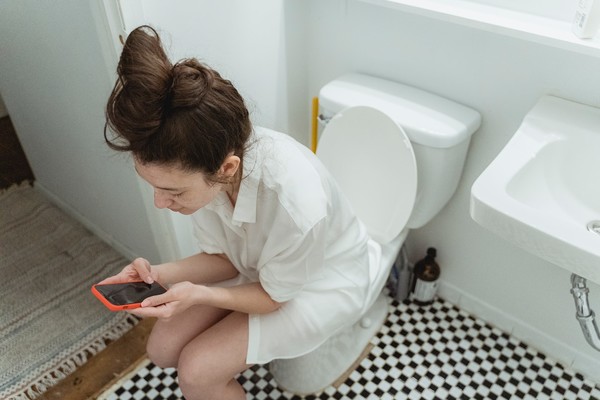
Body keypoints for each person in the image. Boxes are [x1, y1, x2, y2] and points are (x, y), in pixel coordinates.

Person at [99, 25, 381, 400]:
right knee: (161, 350)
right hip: (262, 268)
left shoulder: (295, 204)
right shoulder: (205, 152)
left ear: (227, 169)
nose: (160, 203)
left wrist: (200, 295)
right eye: (154, 187)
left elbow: (274, 297)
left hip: (321, 282)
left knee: (197, 372)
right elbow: (224, 259)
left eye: (174, 192)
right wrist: (157, 274)